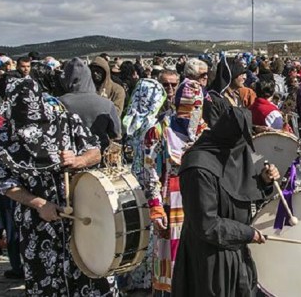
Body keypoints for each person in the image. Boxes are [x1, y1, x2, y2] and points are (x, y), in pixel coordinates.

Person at [0, 78, 119, 296]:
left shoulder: (66, 121)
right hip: (37, 223)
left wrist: (79, 160)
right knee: (46, 282)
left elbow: (95, 151)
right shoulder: (3, 139)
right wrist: (39, 203)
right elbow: (3, 183)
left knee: (95, 275)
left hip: (82, 215)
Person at [171, 106, 280, 297]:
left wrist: (263, 182)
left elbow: (237, 192)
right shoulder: (198, 168)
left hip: (236, 253)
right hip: (209, 260)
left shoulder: (230, 154)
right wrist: (247, 233)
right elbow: (207, 224)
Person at [144, 79, 207, 294]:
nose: (192, 113)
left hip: (198, 201)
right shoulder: (160, 131)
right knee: (169, 265)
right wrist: (155, 206)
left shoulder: (204, 131)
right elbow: (150, 169)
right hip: (171, 203)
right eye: (188, 108)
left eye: (197, 107)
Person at [117, 78, 167, 292]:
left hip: (131, 184)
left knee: (136, 230)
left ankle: (131, 277)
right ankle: (149, 278)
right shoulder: (154, 126)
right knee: (151, 233)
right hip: (151, 183)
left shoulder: (130, 120)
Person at [59, 58, 122, 153]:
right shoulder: (107, 104)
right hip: (99, 155)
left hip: (69, 157)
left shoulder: (59, 103)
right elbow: (116, 133)